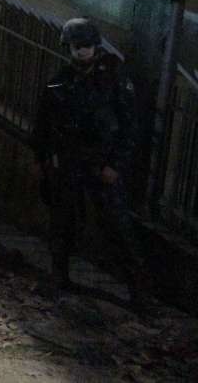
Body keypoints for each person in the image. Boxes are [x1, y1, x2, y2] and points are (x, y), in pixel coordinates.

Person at [34, 17, 147, 305]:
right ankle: (59, 277)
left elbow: (130, 127)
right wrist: (46, 163)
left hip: (103, 163)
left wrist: (115, 165)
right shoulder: (59, 82)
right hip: (70, 164)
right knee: (63, 223)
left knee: (119, 228)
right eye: (76, 45)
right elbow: (43, 128)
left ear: (95, 46)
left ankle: (138, 293)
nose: (81, 50)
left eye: (86, 45)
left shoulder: (113, 79)